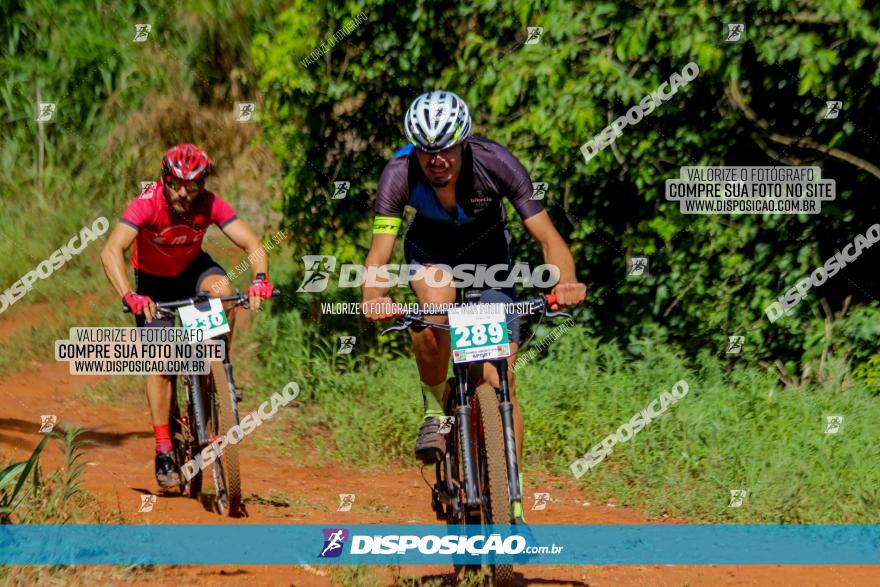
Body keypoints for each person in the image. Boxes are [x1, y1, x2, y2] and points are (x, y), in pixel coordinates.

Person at [361, 91, 586, 510]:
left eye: (445, 147)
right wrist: (375, 293)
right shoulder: (398, 173)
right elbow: (380, 252)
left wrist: (566, 281)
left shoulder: (496, 163)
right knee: (435, 308)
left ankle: (509, 492)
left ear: (463, 140)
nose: (436, 160)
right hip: (431, 250)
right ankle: (434, 410)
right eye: (426, 150)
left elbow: (548, 237)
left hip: (488, 256)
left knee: (499, 378)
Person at [100, 144, 275, 488]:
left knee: (223, 292)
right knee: (162, 364)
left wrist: (259, 280)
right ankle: (164, 448)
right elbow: (111, 250)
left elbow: (253, 245)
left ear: (203, 184)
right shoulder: (148, 202)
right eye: (176, 184)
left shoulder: (209, 203)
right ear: (164, 179)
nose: (184, 193)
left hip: (194, 271)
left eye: (193, 185)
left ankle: (217, 369)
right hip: (152, 284)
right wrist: (129, 295)